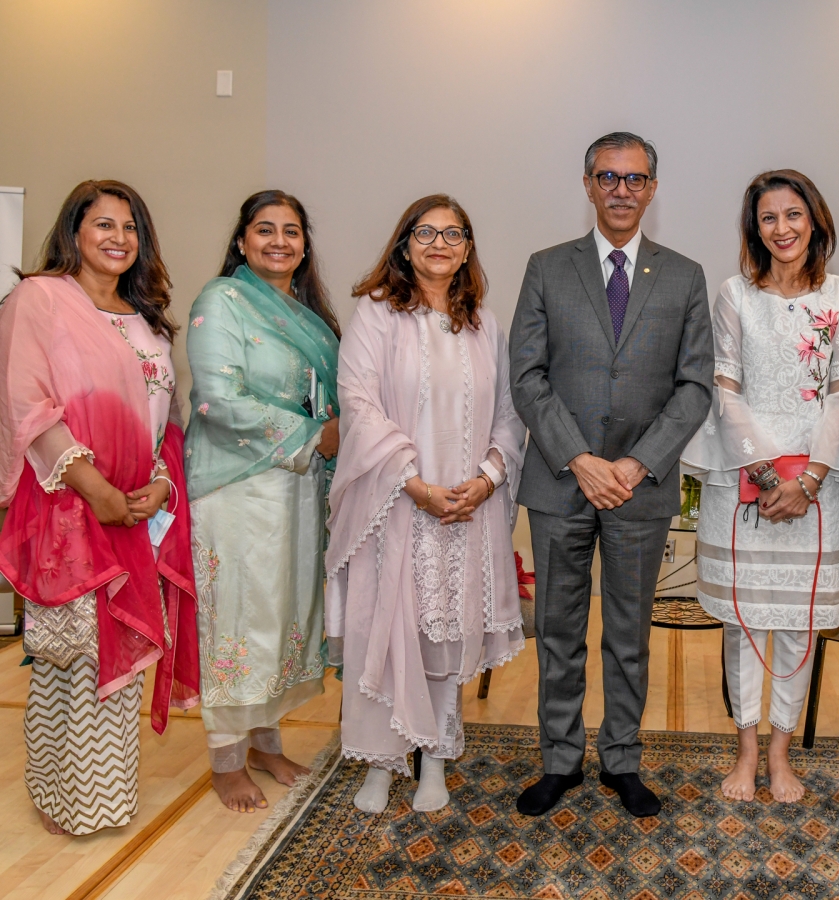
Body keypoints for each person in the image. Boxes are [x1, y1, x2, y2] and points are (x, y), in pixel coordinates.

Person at [509, 132, 714, 817]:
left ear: (653, 188)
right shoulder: (545, 268)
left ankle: (621, 758)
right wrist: (579, 458)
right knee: (560, 630)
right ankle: (560, 759)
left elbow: (695, 386)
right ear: (588, 184)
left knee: (628, 633)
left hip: (640, 487)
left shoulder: (684, 276)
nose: (622, 189)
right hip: (562, 481)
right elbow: (527, 376)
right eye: (608, 177)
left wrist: (633, 463)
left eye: (635, 179)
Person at [0, 180, 200, 835]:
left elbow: (165, 422)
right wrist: (96, 490)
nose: (118, 238)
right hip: (70, 507)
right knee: (74, 660)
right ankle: (65, 799)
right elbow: (28, 406)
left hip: (137, 513)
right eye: (103, 224)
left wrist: (162, 486)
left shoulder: (144, 319)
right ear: (74, 232)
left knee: (120, 657)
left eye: (130, 227)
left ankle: (105, 799)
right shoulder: (43, 299)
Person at [681, 170, 839, 802]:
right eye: (769, 218)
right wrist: (770, 475)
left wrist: (811, 480)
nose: (783, 228)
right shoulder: (733, 295)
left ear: (814, 220)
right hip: (745, 486)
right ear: (754, 229)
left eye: (794, 214)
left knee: (798, 622)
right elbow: (725, 390)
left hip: (816, 489)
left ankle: (779, 755)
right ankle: (743, 750)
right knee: (743, 623)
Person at [326, 195, 526, 813]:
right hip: (397, 505)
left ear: (467, 247)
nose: (440, 243)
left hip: (467, 511)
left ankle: (435, 759)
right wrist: (413, 483)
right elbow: (357, 402)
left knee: (447, 638)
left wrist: (488, 479)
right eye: (426, 232)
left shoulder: (482, 323)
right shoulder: (378, 313)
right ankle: (382, 764)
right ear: (404, 243)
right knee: (387, 634)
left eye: (454, 233)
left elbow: (509, 414)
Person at [185, 190, 343, 813]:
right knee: (238, 619)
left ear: (305, 244)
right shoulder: (220, 300)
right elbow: (217, 402)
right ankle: (226, 758)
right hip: (238, 490)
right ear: (242, 240)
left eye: (292, 231)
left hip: (297, 490)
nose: (280, 241)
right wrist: (312, 435)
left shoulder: (306, 313)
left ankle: (266, 743)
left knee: (280, 617)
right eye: (265, 229)